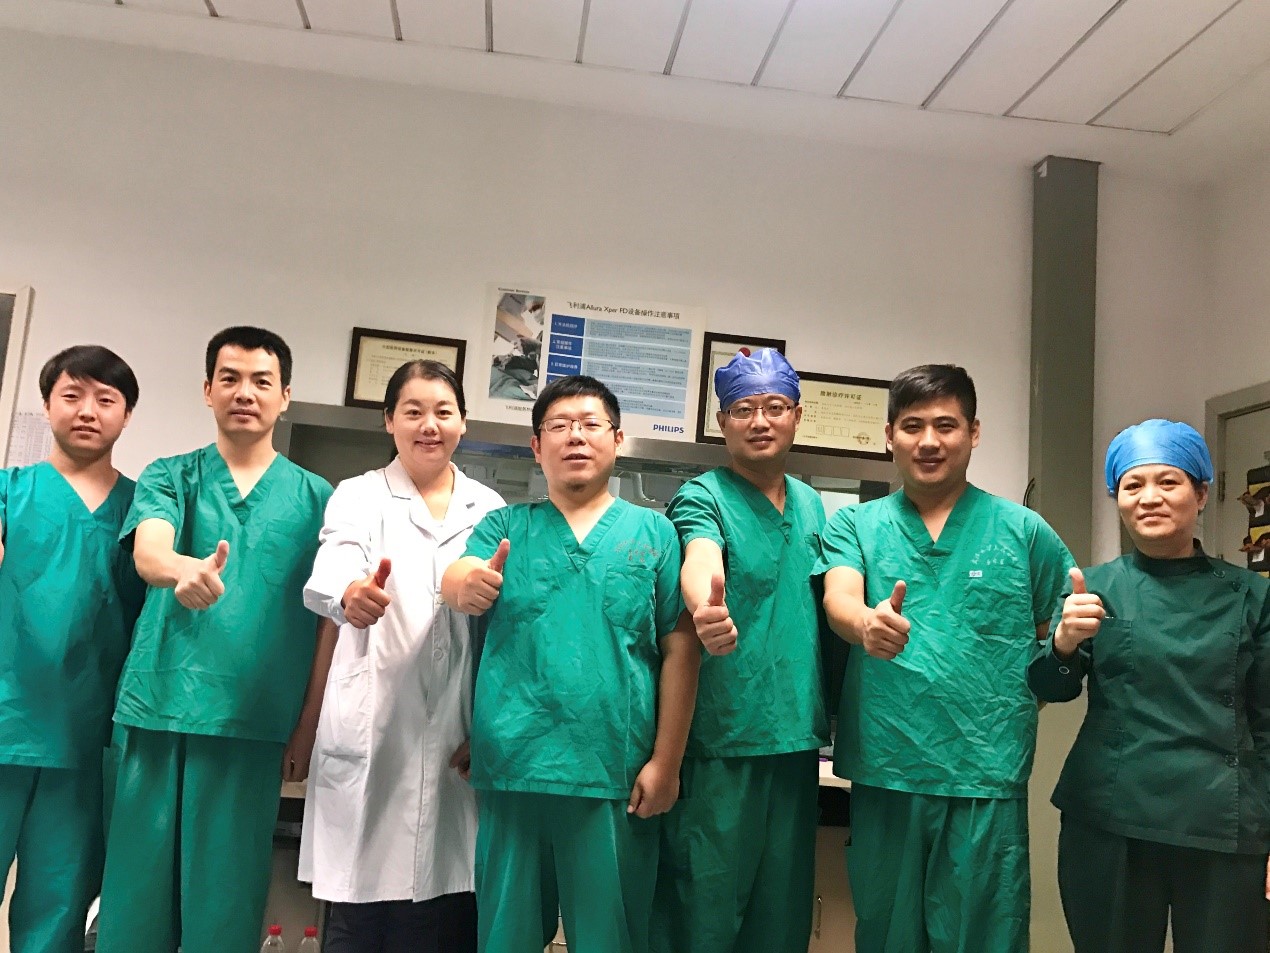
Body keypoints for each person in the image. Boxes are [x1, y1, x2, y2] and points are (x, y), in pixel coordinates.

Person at [818, 363, 1073, 953]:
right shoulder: (857, 524)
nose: (928, 441)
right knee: (889, 937)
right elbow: (839, 599)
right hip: (889, 771)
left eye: (946, 425)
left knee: (981, 938)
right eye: (912, 426)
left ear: (973, 432)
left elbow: (1051, 639)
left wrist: (1049, 660)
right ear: (889, 435)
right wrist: (865, 624)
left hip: (984, 778)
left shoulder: (1023, 531)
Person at [95, 327, 334, 953]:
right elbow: (150, 548)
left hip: (253, 720)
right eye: (229, 379)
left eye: (261, 381)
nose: (244, 393)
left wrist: (307, 724)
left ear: (285, 396)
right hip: (158, 709)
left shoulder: (319, 499)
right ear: (208, 391)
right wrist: (182, 569)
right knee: (136, 901)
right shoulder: (171, 475)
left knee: (224, 908)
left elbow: (327, 623)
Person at [441, 375, 699, 953]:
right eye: (558, 426)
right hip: (516, 766)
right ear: (537, 446)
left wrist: (667, 762)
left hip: (614, 772)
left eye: (590, 424)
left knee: (611, 938)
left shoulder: (654, 533)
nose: (575, 436)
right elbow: (458, 576)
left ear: (618, 439)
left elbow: (681, 650)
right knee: (505, 937)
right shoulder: (506, 527)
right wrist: (465, 585)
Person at [1028, 418, 1270, 953]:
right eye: (1133, 485)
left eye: (1169, 481)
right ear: (1117, 499)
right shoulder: (1093, 587)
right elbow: (1049, 687)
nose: (1150, 497)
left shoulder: (1252, 596)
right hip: (1110, 820)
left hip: (1223, 824)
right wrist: (1063, 642)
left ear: (1201, 494)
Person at [296, 360, 504, 953]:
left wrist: (489, 729)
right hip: (373, 737)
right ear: (389, 420)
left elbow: (504, 633)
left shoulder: (488, 507)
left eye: (443, 411)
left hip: (455, 741)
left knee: (441, 919)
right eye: (413, 412)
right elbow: (337, 558)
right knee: (359, 926)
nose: (429, 425)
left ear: (463, 422)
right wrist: (350, 594)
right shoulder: (358, 496)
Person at [651, 348, 828, 953]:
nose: (760, 421)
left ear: (797, 416)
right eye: (743, 409)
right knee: (705, 913)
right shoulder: (703, 496)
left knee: (781, 919)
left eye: (774, 407)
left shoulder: (812, 505)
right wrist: (705, 607)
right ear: (722, 422)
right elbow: (700, 556)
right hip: (720, 743)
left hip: (795, 742)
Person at [0, 346, 143, 953]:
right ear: (46, 404)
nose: (88, 411)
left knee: (57, 908)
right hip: (6, 719)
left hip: (86, 735)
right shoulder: (10, 492)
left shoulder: (145, 510)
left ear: (127, 414)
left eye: (106, 399)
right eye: (72, 395)